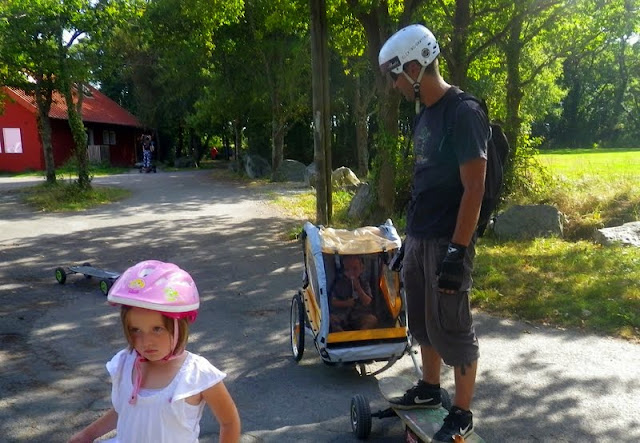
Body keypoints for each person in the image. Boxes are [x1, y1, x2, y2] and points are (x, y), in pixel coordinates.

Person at [378, 24, 489, 442]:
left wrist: (457, 253)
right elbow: (425, 182)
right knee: (423, 320)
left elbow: (474, 187)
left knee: (454, 326)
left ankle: (461, 412)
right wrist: (409, 242)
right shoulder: (425, 114)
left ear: (413, 66)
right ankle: (429, 388)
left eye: (393, 75)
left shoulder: (464, 112)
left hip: (448, 239)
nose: (393, 86)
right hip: (421, 235)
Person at [69, 260, 241, 443]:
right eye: (136, 330)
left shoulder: (197, 374)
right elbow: (125, 411)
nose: (146, 342)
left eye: (157, 329)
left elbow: (229, 422)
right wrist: (87, 435)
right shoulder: (125, 363)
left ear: (178, 327)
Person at [329, 255, 378, 331]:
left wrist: (358, 288)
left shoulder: (364, 282)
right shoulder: (340, 283)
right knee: (331, 319)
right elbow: (333, 302)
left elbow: (367, 301)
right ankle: (343, 338)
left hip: (360, 315)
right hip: (343, 316)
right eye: (347, 270)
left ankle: (360, 338)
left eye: (355, 269)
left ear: (362, 268)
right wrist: (346, 303)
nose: (351, 273)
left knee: (372, 320)